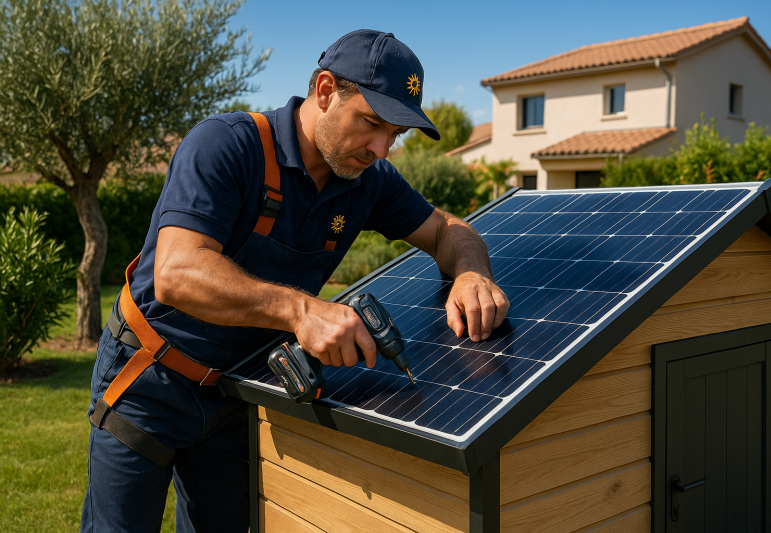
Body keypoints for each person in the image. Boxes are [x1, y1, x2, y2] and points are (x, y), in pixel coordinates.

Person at [80, 29, 509, 532]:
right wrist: (302, 310)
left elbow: (448, 229)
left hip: (240, 393)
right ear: (325, 91)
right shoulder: (227, 144)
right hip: (150, 381)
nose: (381, 149)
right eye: (371, 123)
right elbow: (177, 273)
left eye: (395, 134)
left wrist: (472, 272)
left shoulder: (368, 181)